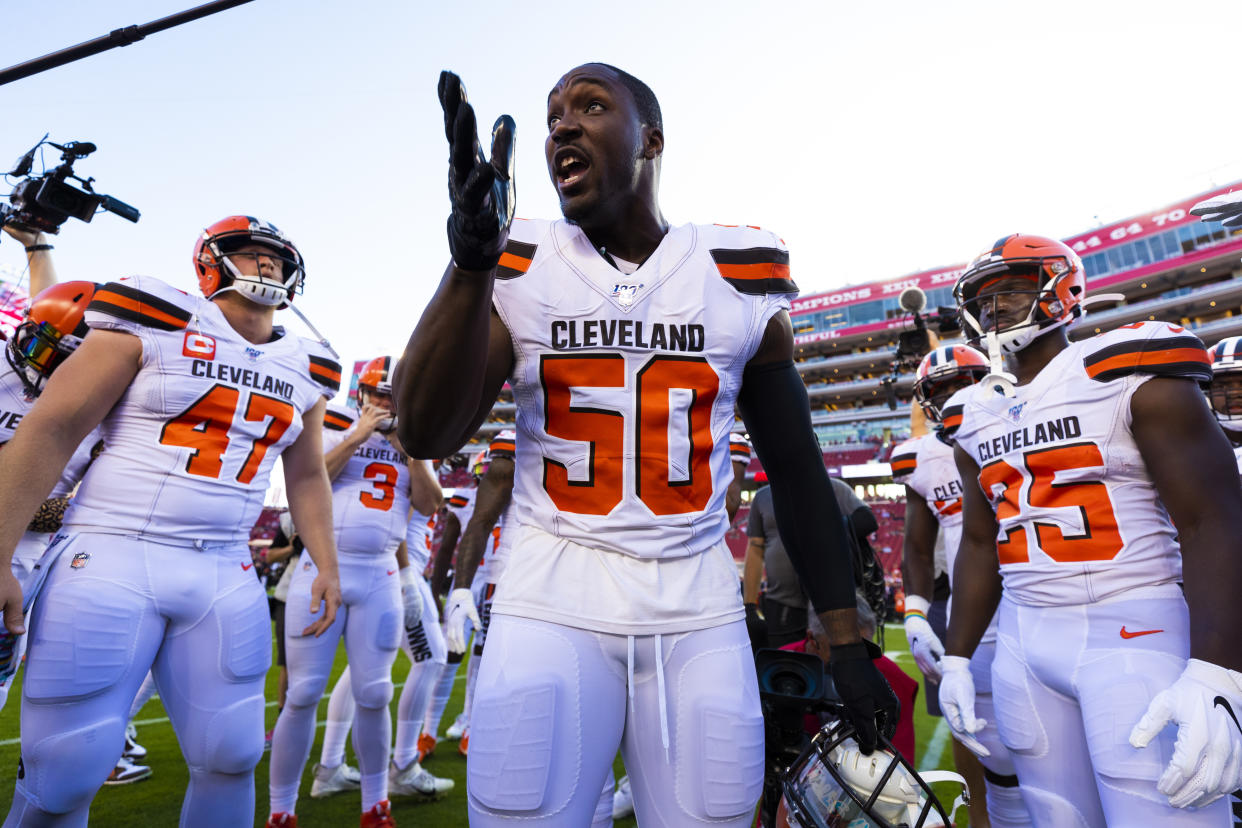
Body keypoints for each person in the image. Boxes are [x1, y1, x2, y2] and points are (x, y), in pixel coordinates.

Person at [392, 65, 896, 826]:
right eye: (553, 113)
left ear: (651, 139)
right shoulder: (518, 259)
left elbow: (795, 472)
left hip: (697, 610)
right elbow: (426, 430)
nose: (562, 123)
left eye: (589, 106)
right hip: (549, 602)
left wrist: (846, 638)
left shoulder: (736, 271)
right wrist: (469, 265)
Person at [0, 215, 344, 827]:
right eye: (248, 252)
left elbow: (308, 475)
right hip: (110, 552)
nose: (264, 265)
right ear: (211, 261)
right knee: (65, 770)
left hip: (226, 567)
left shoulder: (309, 365)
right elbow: (53, 425)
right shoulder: (157, 313)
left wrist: (326, 564)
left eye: (273, 256)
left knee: (233, 757)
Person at [940, 233, 1242, 826]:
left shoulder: (1125, 368)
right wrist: (956, 659)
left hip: (1132, 627)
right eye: (984, 298)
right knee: (1056, 818)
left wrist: (1217, 669)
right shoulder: (971, 414)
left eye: (1011, 290)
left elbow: (1212, 517)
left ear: (1062, 290)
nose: (994, 308)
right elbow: (981, 542)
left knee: (1164, 813)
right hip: (1025, 642)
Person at [267, 355, 440, 827]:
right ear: (360, 392)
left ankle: (375, 803)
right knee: (302, 693)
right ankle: (281, 809)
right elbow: (305, 475)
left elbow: (430, 504)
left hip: (380, 572)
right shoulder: (336, 421)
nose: (386, 402)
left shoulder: (412, 438)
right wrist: (359, 436)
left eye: (393, 394)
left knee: (375, 691)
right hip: (324, 568)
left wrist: (412, 453)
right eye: (379, 392)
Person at [893, 343, 1031, 827]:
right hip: (973, 617)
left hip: (1035, 602)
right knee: (972, 731)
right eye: (941, 390)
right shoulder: (924, 457)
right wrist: (913, 611)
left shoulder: (1022, 426)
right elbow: (915, 545)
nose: (953, 397)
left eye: (962, 385)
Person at [744, 474, 878, 650]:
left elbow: (867, 520)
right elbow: (755, 550)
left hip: (831, 604)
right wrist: (749, 605)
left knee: (835, 667)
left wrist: (825, 531)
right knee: (787, 668)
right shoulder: (763, 496)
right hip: (783, 604)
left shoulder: (834, 487)